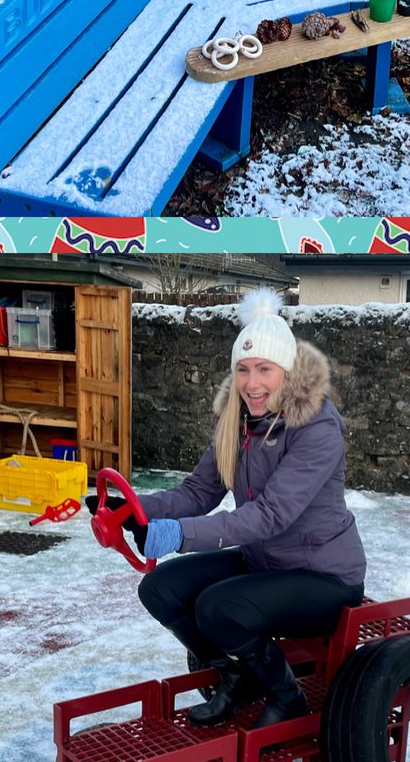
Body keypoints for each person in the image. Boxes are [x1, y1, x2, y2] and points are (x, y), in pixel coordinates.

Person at [91, 288, 366, 729]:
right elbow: (200, 491)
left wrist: (179, 534)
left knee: (220, 607)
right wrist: (136, 509)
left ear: (288, 370)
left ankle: (285, 695)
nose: (252, 383)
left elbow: (271, 515)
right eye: (243, 369)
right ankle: (236, 676)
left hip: (323, 577)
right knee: (161, 588)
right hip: (264, 561)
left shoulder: (317, 429)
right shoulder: (236, 424)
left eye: (264, 369)